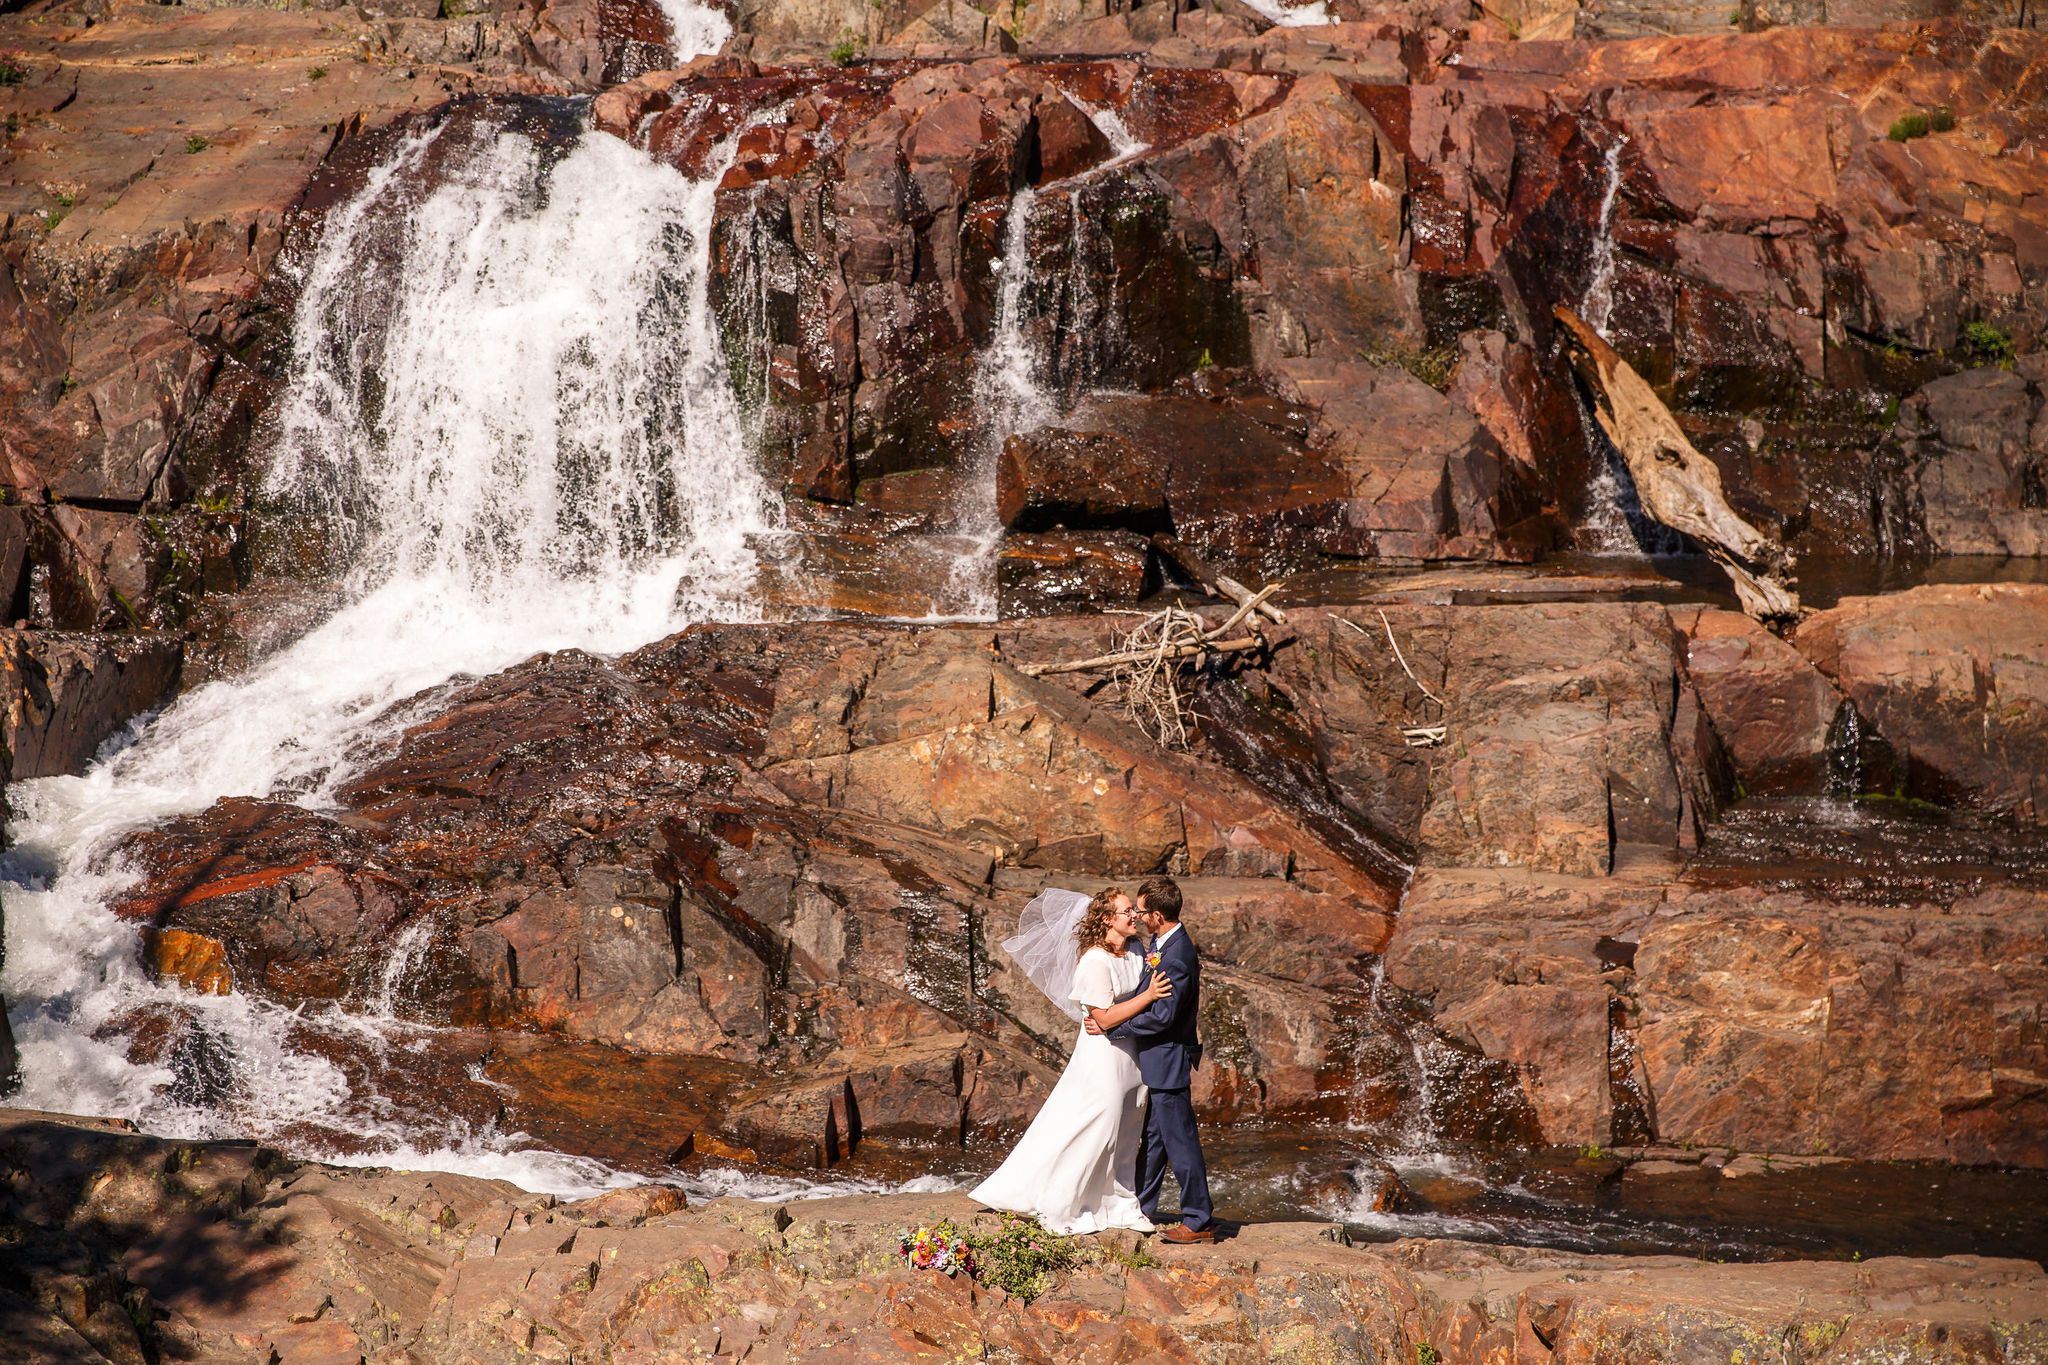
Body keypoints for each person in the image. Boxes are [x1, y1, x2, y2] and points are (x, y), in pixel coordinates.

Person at [969, 887, 1174, 1234]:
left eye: (1134, 912)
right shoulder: (1094, 960)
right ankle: (1060, 1206)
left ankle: (1120, 1206)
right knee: (1099, 1130)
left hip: (1131, 1056)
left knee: (1127, 1132)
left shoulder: (1137, 950)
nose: (1134, 916)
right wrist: (1149, 996)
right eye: (1127, 911)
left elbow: (1116, 1011)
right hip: (1103, 1057)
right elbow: (1104, 1019)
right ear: (1108, 919)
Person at [1086, 876, 1212, 1243]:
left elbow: (1164, 1016)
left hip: (1168, 1058)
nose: (1137, 917)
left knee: (1181, 1142)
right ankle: (1141, 1206)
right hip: (1155, 1061)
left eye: (1142, 911)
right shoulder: (1159, 942)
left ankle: (1199, 1218)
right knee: (1154, 1140)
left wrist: (1113, 1029)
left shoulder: (1179, 955)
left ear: (1157, 914)